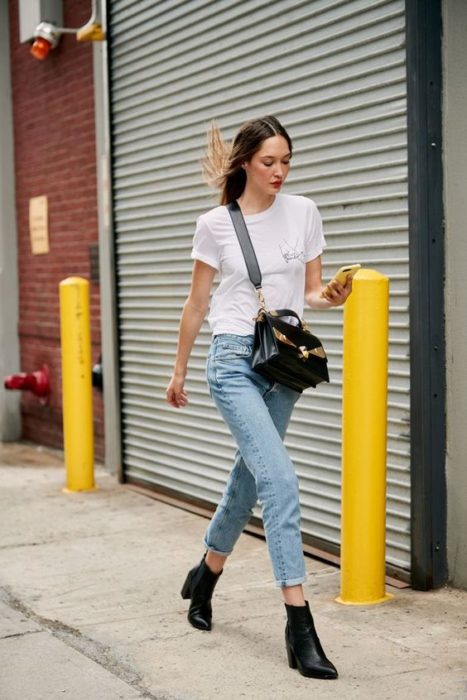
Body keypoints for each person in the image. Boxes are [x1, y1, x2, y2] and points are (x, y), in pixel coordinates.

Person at [166, 116, 352, 680]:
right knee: (280, 479)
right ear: (245, 161)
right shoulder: (215, 224)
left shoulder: (305, 211)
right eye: (269, 161)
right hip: (230, 362)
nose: (279, 171)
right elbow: (197, 304)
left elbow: (312, 293)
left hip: (283, 364)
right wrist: (178, 372)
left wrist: (334, 296)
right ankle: (300, 628)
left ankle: (207, 571)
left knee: (249, 478)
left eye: (286, 161)